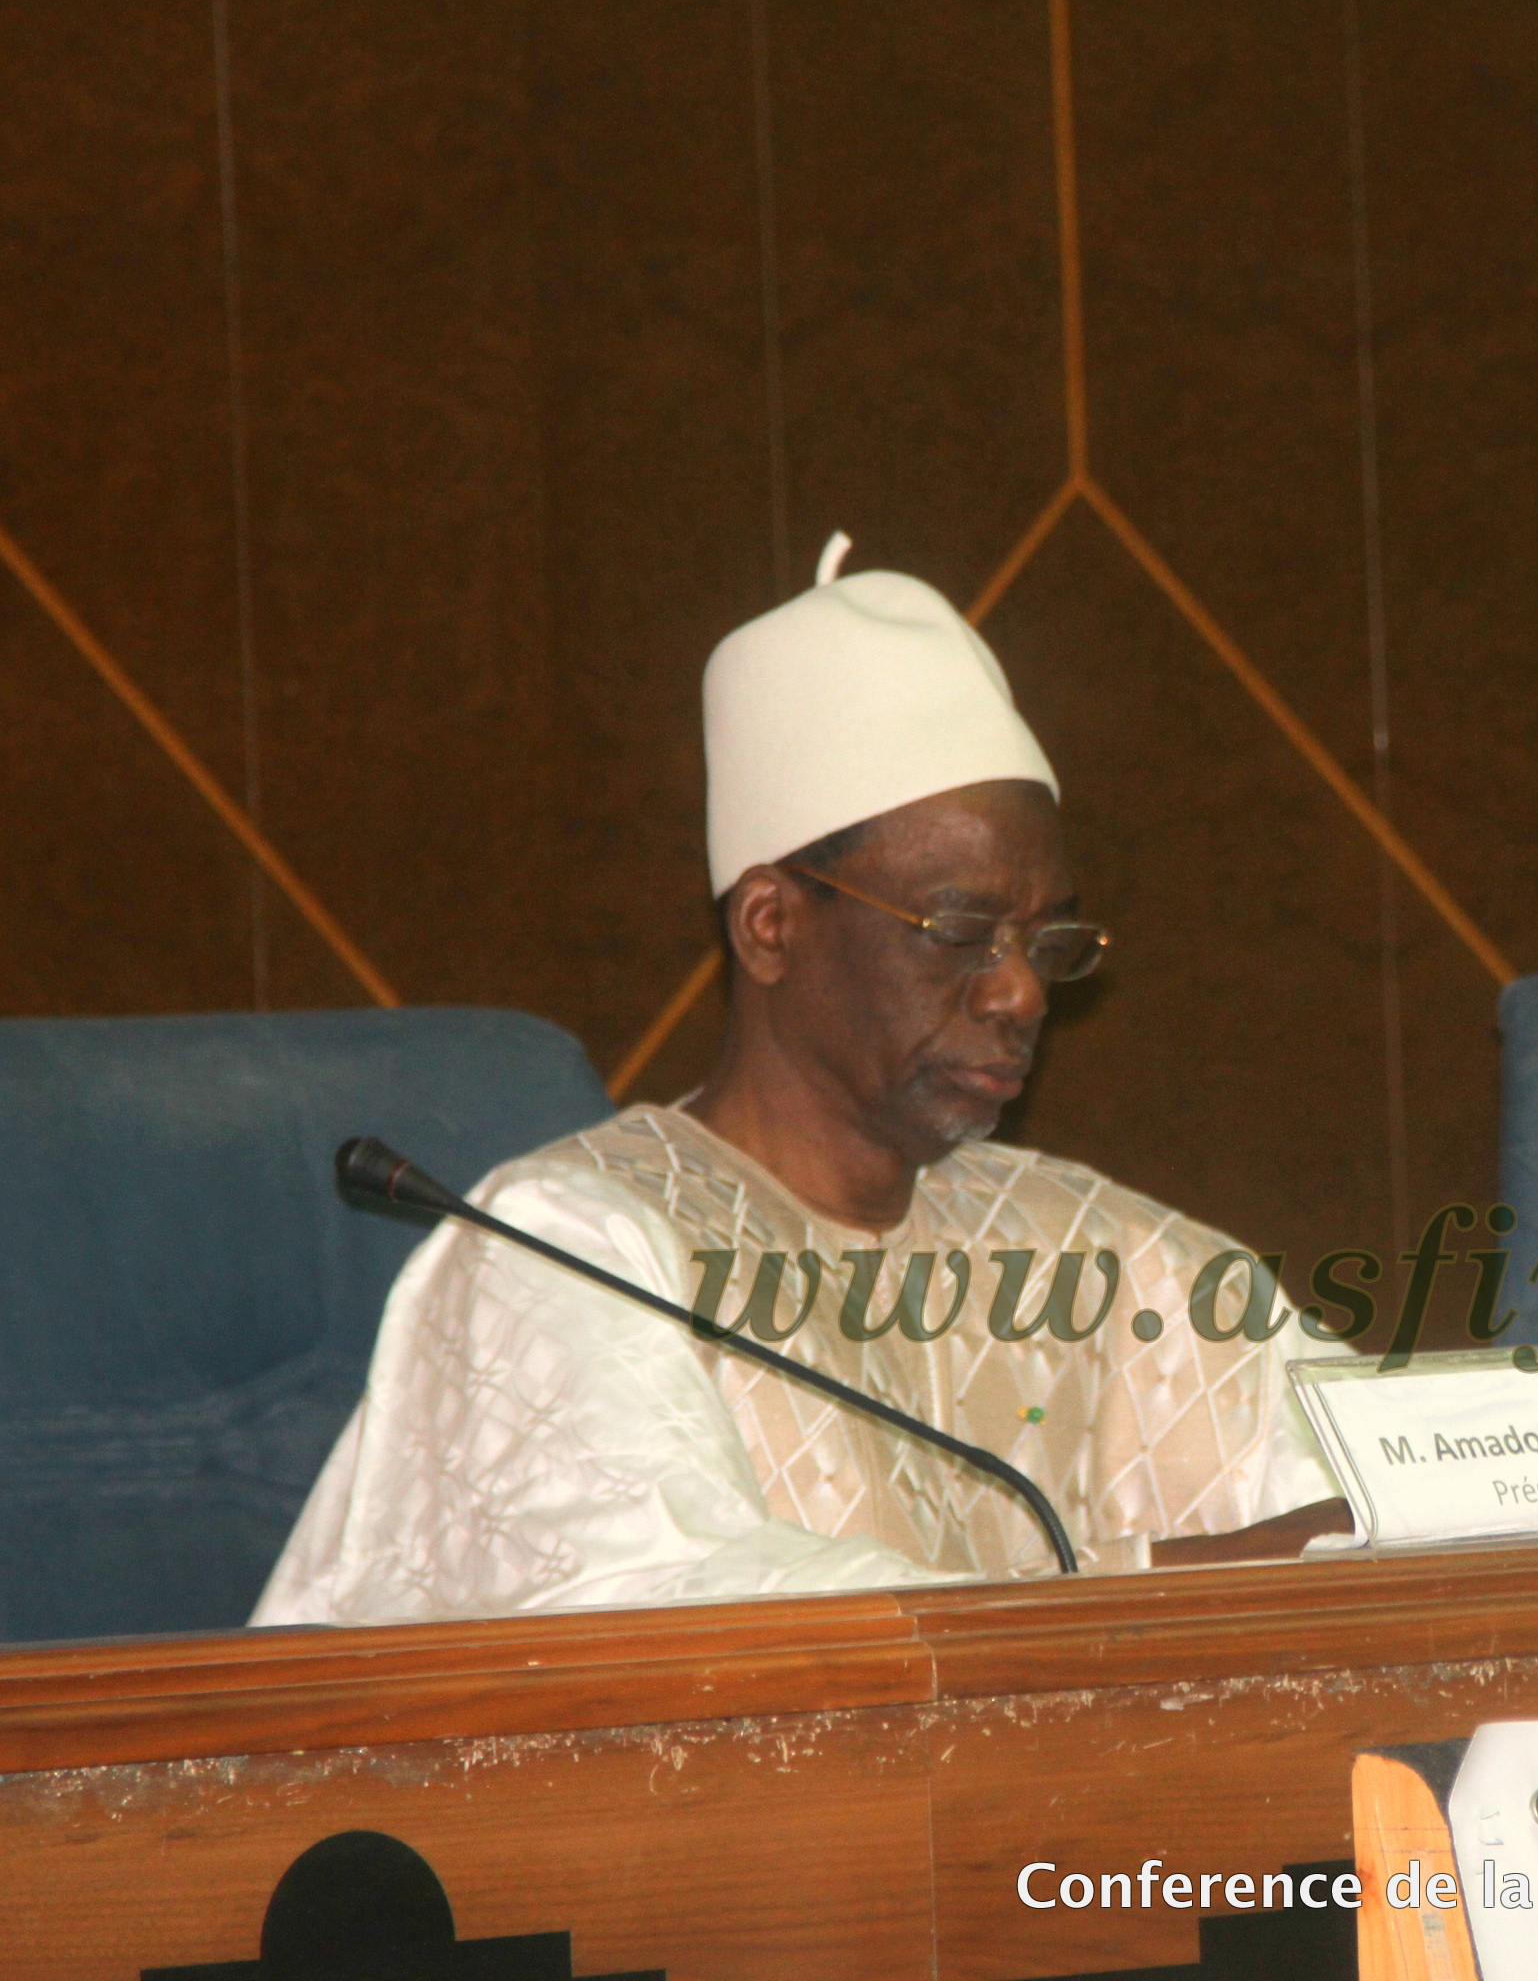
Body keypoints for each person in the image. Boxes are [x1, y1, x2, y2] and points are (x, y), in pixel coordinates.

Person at [258, 540, 1345, 1626]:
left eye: (1044, 939)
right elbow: (672, 1626)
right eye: (961, 929)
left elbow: (1409, 1476)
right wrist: (1161, 1579)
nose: (1019, 991)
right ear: (772, 924)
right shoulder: (572, 1249)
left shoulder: (1092, 1244)